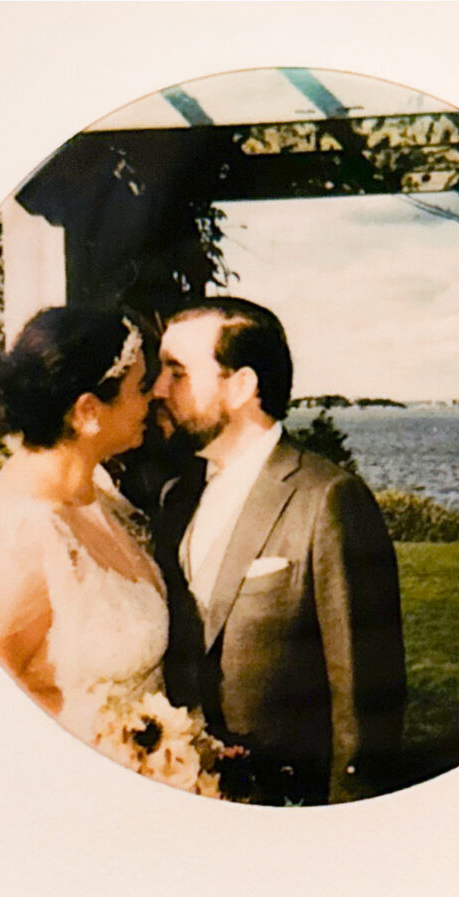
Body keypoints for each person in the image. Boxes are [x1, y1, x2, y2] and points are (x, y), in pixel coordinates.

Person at [151, 297, 407, 805]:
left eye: (176, 372)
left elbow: (368, 699)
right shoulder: (174, 498)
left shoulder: (328, 499)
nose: (158, 389)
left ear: (241, 385)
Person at [0, 308, 174, 755]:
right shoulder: (22, 535)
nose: (156, 396)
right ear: (87, 411)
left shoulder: (99, 496)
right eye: (142, 387)